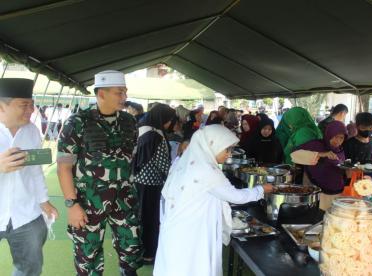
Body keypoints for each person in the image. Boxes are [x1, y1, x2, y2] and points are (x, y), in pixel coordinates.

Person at [153, 125, 273, 276]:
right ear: (212, 144)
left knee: (177, 266)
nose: (229, 155)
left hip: (175, 227)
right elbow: (236, 196)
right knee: (194, 267)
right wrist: (261, 190)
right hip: (192, 231)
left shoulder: (184, 160)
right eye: (226, 149)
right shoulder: (207, 169)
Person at [57, 70, 143, 275]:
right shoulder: (76, 123)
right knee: (88, 256)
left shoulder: (129, 123)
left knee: (131, 250)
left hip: (125, 199)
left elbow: (130, 158)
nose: (124, 98)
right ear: (101, 94)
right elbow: (64, 167)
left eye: (125, 92)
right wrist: (72, 204)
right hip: (89, 201)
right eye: (119, 93)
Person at [0, 78, 59, 276]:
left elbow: (35, 171)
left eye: (32, 105)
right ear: (1, 107)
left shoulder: (32, 131)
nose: (31, 110)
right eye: (23, 105)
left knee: (30, 268)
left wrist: (44, 201)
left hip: (25, 212)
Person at [133, 103, 176, 265]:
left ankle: (138, 250)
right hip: (151, 185)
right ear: (162, 118)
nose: (169, 124)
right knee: (150, 218)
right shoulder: (156, 135)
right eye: (169, 120)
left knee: (141, 217)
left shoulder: (143, 128)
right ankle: (148, 253)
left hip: (138, 181)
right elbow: (163, 164)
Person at [296, 121, 347, 211]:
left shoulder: (340, 150)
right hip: (317, 193)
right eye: (335, 137)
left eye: (341, 138)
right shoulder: (315, 145)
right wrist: (320, 154)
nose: (338, 141)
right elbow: (294, 155)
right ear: (329, 134)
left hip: (337, 193)